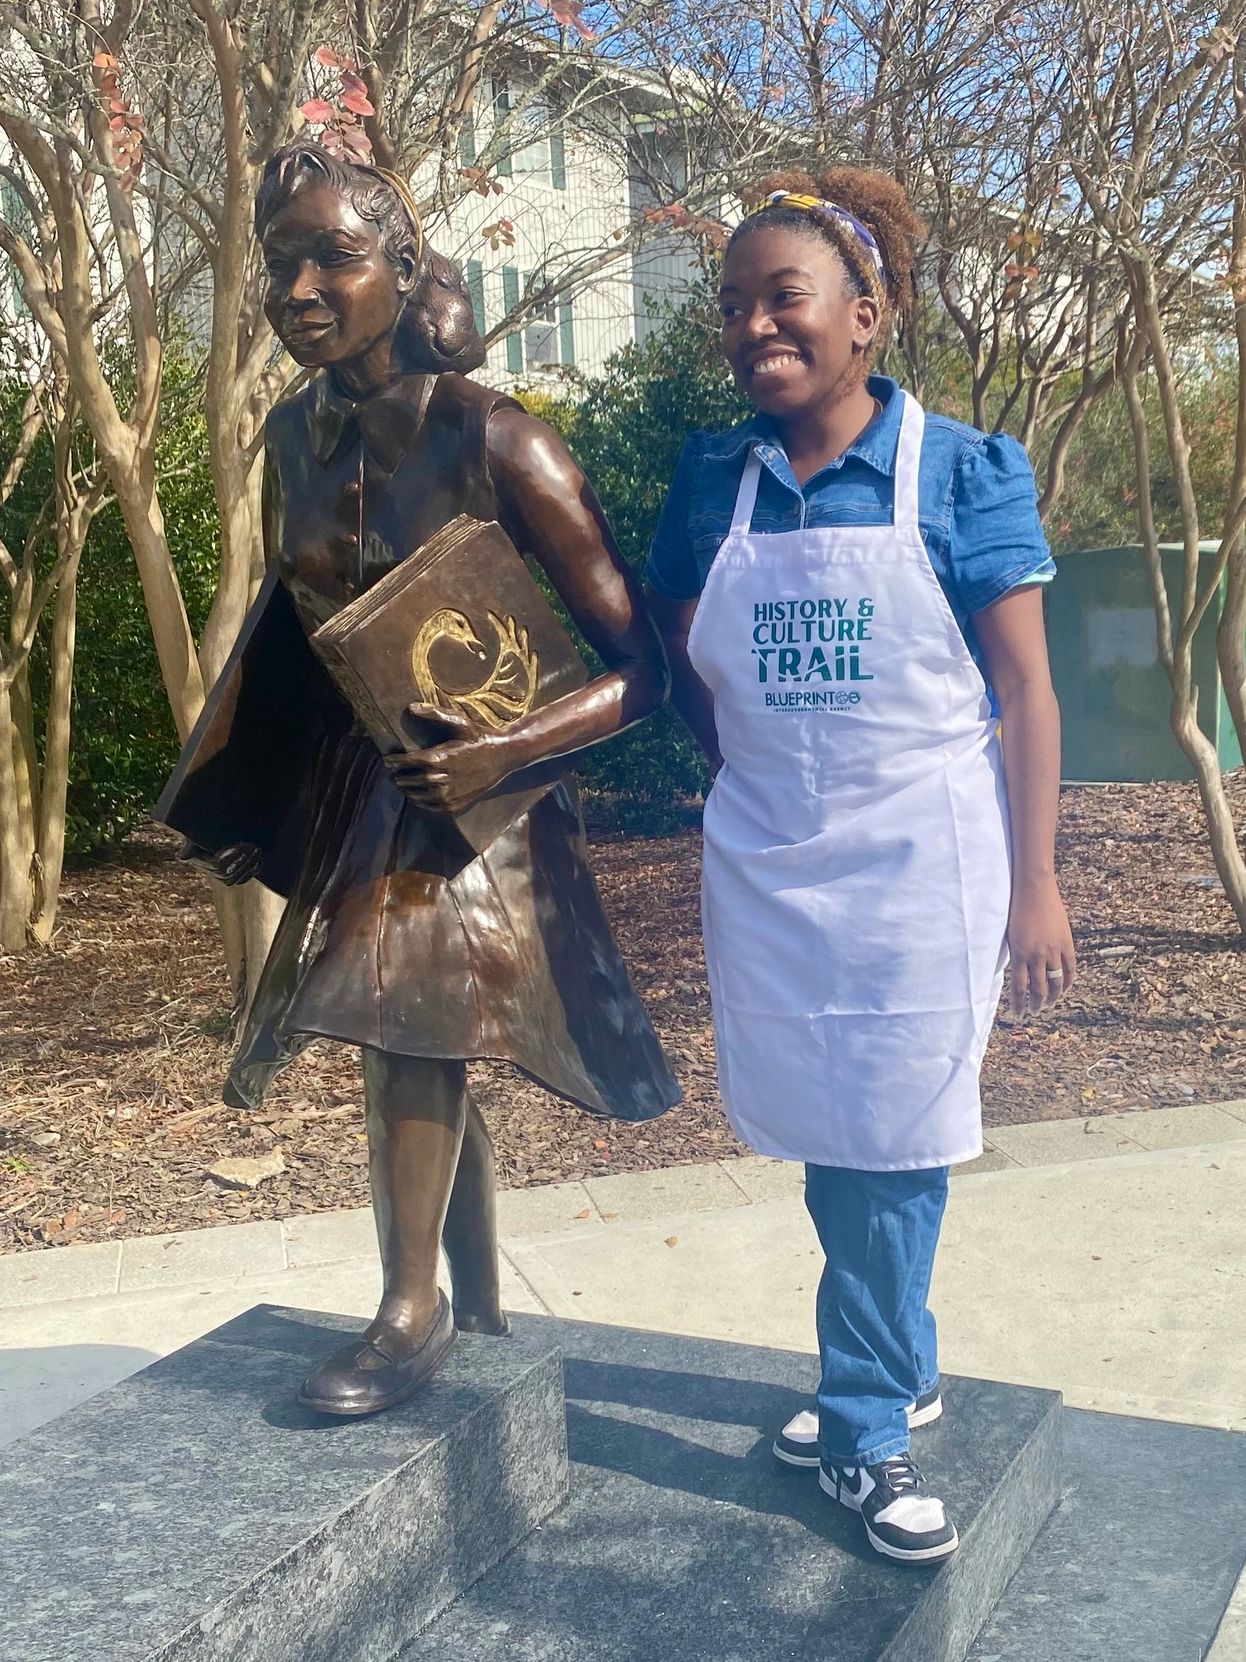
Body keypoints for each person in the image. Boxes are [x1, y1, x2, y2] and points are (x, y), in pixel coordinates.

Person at [167, 138, 679, 1416]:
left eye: (331, 257)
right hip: (362, 782)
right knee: (417, 1038)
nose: (298, 290)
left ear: (401, 266)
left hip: (485, 797)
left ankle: (411, 1314)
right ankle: (479, 1298)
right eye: (280, 264)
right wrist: (250, 781)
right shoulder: (290, 434)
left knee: (402, 1015)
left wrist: (510, 751)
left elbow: (645, 668)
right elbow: (299, 625)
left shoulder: (505, 443)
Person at [645, 167, 1076, 1564]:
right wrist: (748, 772)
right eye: (733, 306)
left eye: (785, 297)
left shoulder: (960, 471)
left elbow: (1024, 694)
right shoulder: (716, 475)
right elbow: (672, 653)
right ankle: (898, 1360)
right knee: (832, 1132)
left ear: (866, 314)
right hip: (771, 861)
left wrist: (1039, 882)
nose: (753, 326)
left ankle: (865, 1423)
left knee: (892, 1136)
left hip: (918, 865)